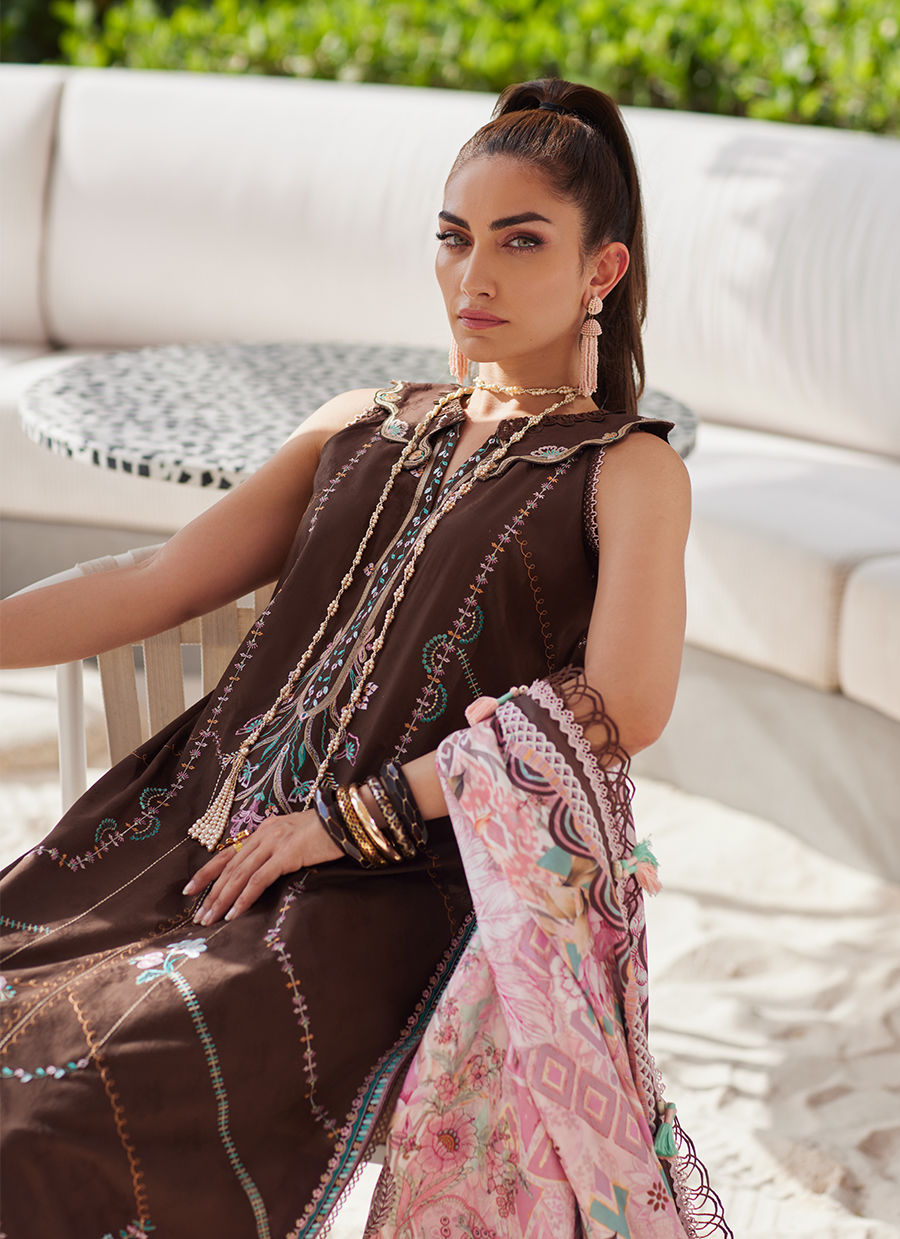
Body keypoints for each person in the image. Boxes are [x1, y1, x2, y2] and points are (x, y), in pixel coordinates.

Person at [0, 78, 730, 1238]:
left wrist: (348, 823)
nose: (473, 275)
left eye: (521, 241)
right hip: (182, 831)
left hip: (379, 888)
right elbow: (156, 580)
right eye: (453, 237)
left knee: (63, 1115)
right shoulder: (365, 422)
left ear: (603, 269)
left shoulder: (628, 470)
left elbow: (621, 705)